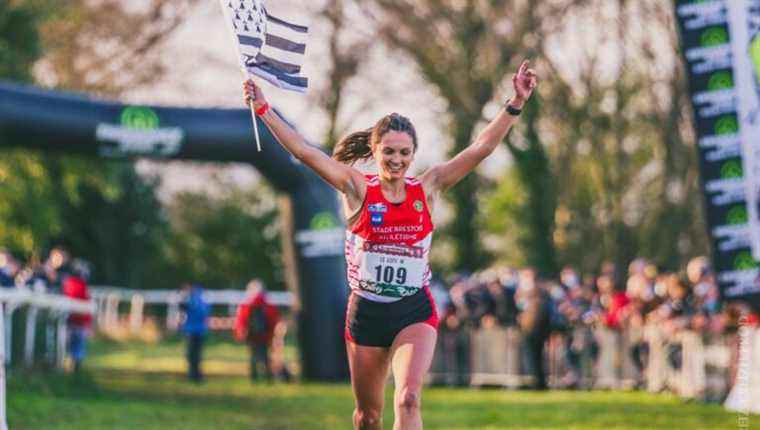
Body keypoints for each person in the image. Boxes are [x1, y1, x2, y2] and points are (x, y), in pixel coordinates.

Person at [243, 59, 537, 430]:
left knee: (408, 398)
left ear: (413, 154)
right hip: (366, 314)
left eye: (404, 153)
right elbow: (303, 152)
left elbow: (479, 149)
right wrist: (264, 109)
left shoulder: (427, 188)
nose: (397, 160)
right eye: (389, 152)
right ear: (375, 150)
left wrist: (515, 104)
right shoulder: (357, 187)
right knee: (368, 417)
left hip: (413, 310)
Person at [233, 279, 281, 381]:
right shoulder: (269, 305)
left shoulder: (245, 305)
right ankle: (268, 377)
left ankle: (254, 378)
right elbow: (274, 320)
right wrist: (272, 334)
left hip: (251, 336)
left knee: (253, 356)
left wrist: (240, 333)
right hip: (265, 336)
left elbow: (240, 321)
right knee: (265, 356)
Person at [61, 259, 93, 373]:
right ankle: (73, 368)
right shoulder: (76, 284)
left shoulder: (68, 283)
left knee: (73, 346)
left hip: (74, 321)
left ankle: (72, 369)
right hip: (75, 321)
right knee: (76, 346)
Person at [180, 283, 210, 383]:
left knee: (191, 355)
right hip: (200, 331)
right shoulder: (203, 300)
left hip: (192, 331)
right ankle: (197, 375)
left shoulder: (191, 300)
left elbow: (184, 309)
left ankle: (193, 375)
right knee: (197, 355)